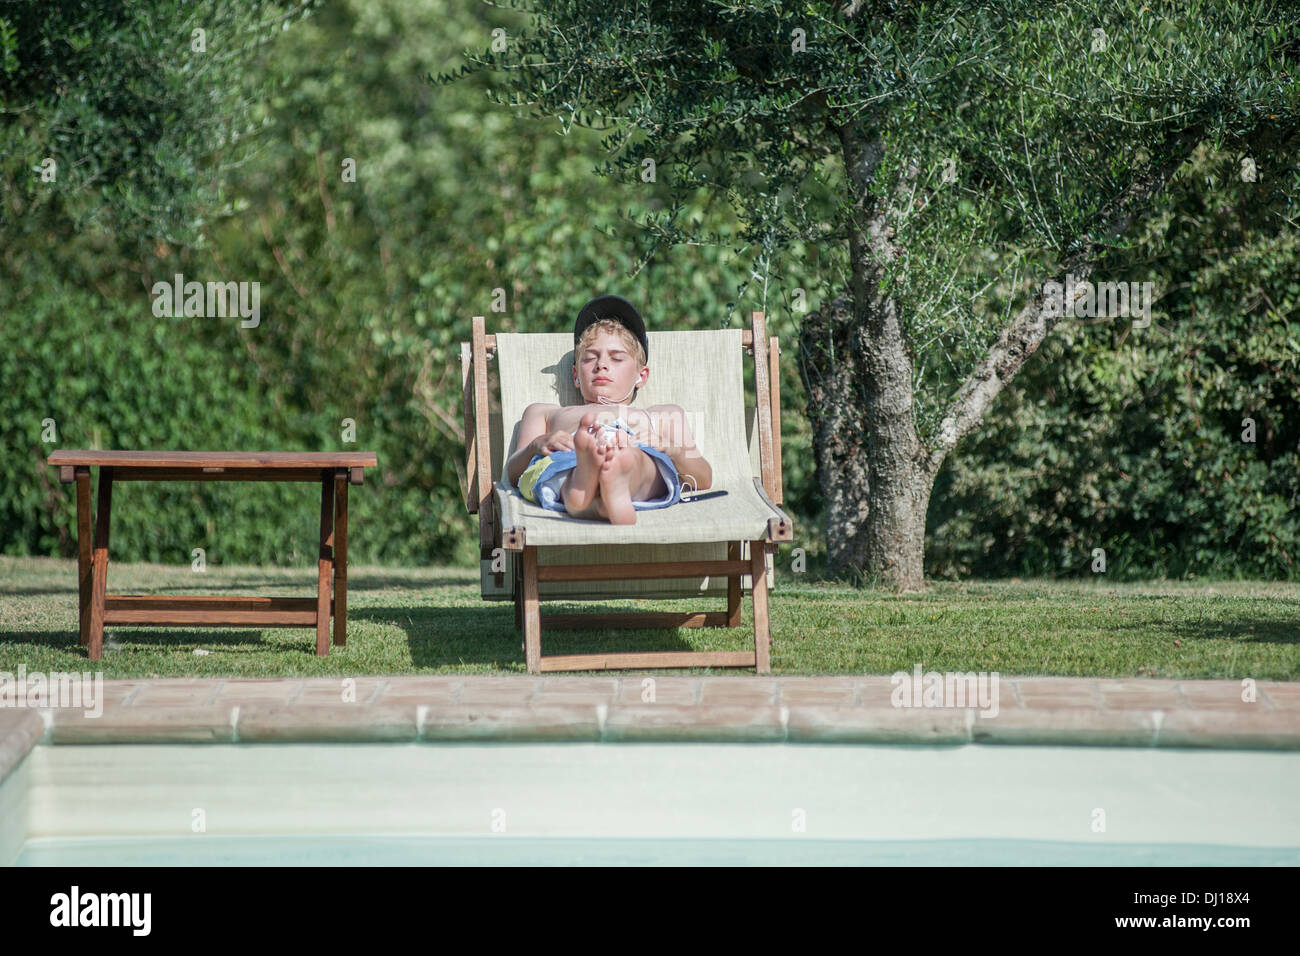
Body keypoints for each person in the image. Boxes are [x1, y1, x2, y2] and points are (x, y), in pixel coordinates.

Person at [503, 295, 713, 525]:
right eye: (590, 357)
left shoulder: (663, 415)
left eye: (616, 358)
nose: (601, 364)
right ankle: (599, 490)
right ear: (575, 375)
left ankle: (607, 478)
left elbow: (703, 477)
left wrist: (672, 450)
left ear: (641, 376)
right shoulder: (544, 412)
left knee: (636, 458)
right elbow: (513, 475)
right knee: (564, 467)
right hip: (568, 456)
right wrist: (537, 445)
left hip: (636, 449)